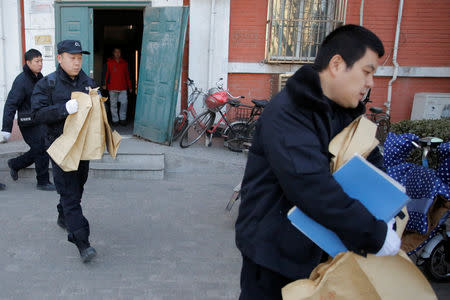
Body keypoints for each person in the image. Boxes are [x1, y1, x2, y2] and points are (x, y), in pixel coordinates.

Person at [235, 25, 401, 300]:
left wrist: (387, 211)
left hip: (322, 252)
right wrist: (373, 233)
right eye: (367, 71)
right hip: (273, 256)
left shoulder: (348, 113)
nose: (371, 83)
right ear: (337, 64)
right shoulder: (288, 112)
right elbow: (310, 186)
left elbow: (371, 163)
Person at [31, 40, 97, 263]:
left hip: (83, 147)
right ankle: (82, 242)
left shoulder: (88, 83)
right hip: (59, 147)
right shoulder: (47, 84)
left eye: (79, 58)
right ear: (60, 58)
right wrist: (63, 109)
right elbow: (37, 115)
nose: (77, 62)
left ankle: (63, 214)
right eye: (72, 58)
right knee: (70, 194)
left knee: (77, 187)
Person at [1, 49, 55, 191]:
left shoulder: (39, 77)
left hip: (39, 120)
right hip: (27, 123)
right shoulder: (21, 81)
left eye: (41, 61)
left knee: (42, 148)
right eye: (37, 61)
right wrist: (6, 128)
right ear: (28, 62)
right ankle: (43, 181)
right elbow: (11, 103)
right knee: (41, 147)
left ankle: (15, 164)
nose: (40, 64)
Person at [102, 47, 132, 126]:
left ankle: (122, 119)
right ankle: (115, 120)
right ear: (113, 53)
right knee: (113, 104)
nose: (117, 54)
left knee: (124, 103)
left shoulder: (124, 63)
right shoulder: (109, 62)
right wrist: (104, 84)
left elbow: (127, 76)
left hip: (123, 87)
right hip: (112, 87)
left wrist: (130, 87)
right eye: (116, 52)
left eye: (119, 52)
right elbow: (106, 74)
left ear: (121, 53)